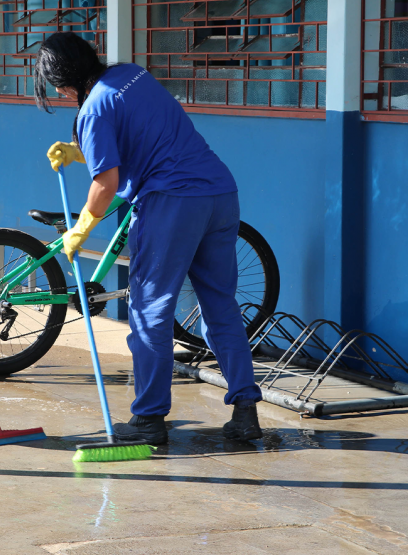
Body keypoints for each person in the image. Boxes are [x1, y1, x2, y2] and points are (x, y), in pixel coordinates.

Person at [34, 33, 263, 445]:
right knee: (221, 308)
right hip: (219, 194)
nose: (61, 94)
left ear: (64, 82)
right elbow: (140, 135)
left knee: (149, 312)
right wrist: (79, 151)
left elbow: (106, 182)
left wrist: (80, 229)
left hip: (172, 204)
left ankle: (149, 419)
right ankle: (246, 411)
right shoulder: (131, 75)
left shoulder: (91, 109)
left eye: (57, 88)